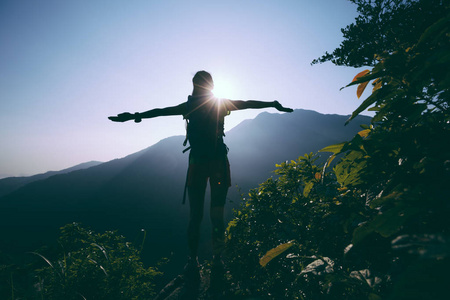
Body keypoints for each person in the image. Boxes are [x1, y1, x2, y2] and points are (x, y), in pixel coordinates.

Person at [109, 71, 293, 281]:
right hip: (218, 163)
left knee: (195, 216)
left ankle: (193, 261)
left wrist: (135, 115)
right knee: (217, 215)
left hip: (197, 164)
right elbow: (247, 103)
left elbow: (160, 111)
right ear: (211, 86)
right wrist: (272, 103)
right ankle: (217, 260)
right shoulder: (220, 104)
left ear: (194, 85)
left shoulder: (189, 106)